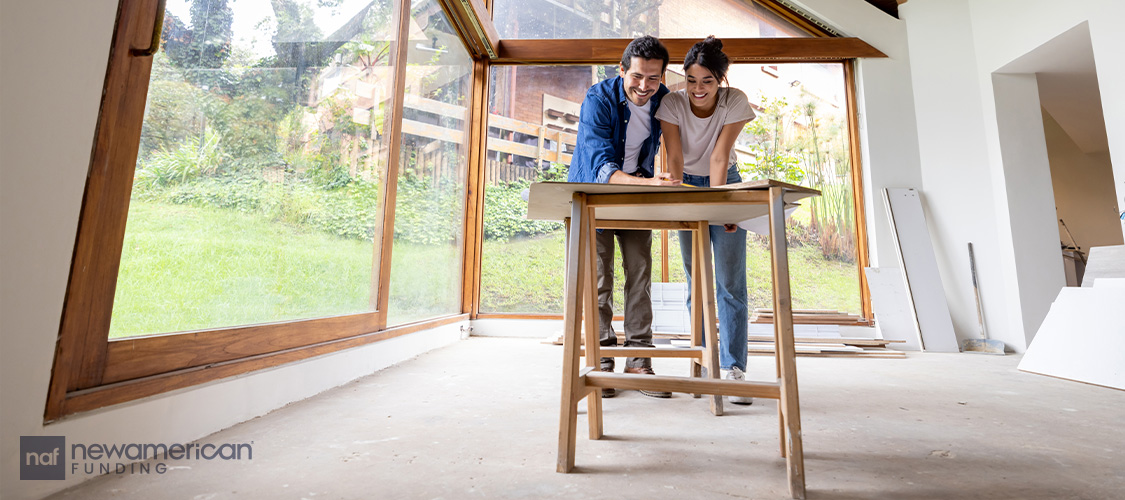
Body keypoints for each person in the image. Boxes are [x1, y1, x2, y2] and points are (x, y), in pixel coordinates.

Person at [568, 35, 680, 398]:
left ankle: (638, 359)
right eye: (637, 77)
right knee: (600, 280)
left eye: (653, 78)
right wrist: (648, 183)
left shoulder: (664, 100)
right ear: (622, 70)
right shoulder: (598, 99)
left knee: (640, 275)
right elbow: (601, 165)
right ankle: (602, 364)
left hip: (636, 196)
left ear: (662, 75)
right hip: (594, 194)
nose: (644, 86)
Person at [655, 35, 756, 404]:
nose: (698, 89)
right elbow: (676, 160)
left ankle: (734, 368)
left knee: (730, 282)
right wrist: (682, 202)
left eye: (707, 82)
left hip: (724, 182)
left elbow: (719, 157)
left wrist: (721, 209)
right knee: (695, 278)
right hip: (686, 184)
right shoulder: (671, 103)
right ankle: (702, 359)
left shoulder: (735, 102)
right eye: (692, 80)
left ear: (721, 81)